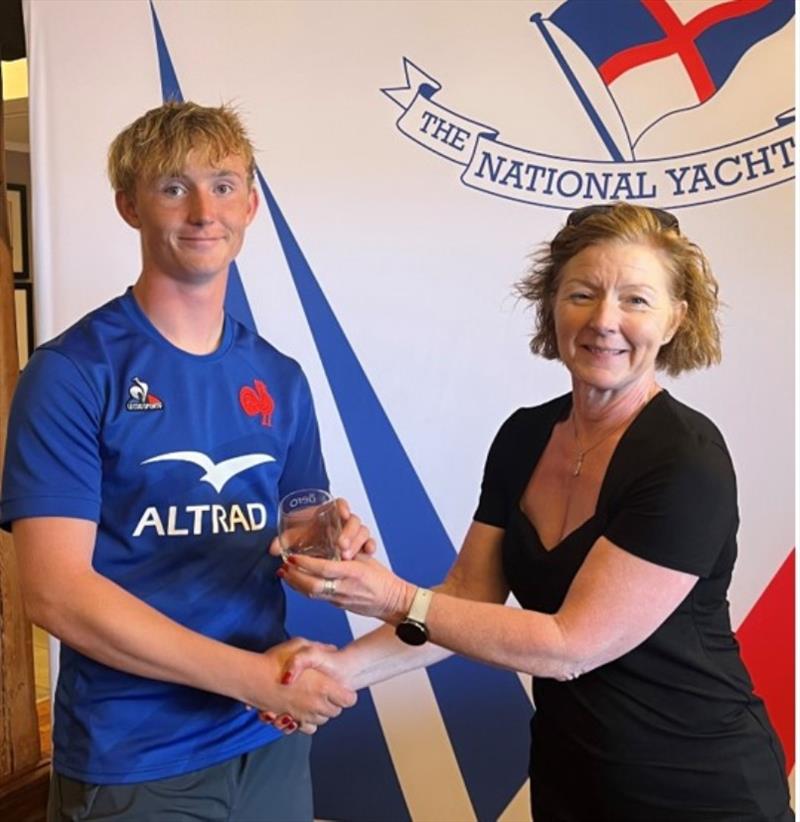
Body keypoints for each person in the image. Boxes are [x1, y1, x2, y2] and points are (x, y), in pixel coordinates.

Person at [273, 203, 793, 821]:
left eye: (636, 300)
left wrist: (391, 596)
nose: (605, 321)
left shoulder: (687, 461)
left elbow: (568, 647)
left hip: (701, 789)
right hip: (571, 781)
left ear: (676, 319)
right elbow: (470, 593)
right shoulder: (525, 436)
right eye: (582, 293)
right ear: (552, 306)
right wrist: (336, 670)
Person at [0, 101, 372, 821]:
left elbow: (300, 533)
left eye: (224, 185)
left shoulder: (279, 376)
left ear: (252, 205)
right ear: (129, 205)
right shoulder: (74, 372)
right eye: (174, 187)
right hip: (134, 755)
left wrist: (335, 548)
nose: (204, 210)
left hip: (265, 739)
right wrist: (253, 680)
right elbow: (55, 592)